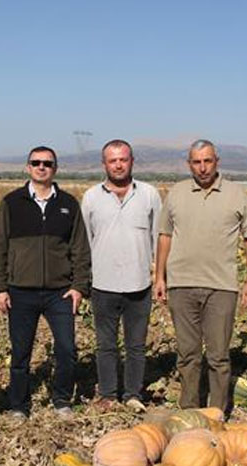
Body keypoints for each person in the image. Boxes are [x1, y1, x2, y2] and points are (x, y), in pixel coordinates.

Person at [153, 139, 247, 412]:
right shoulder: (176, 193)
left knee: (218, 357)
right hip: (181, 285)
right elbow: (164, 235)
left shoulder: (236, 194)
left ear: (217, 162)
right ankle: (189, 412)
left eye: (207, 161)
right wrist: (160, 277)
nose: (202, 167)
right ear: (189, 164)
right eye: (196, 162)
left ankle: (216, 414)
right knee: (188, 355)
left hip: (221, 287)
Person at [0, 146, 91, 418]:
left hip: (60, 292)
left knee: (67, 350)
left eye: (47, 163)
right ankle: (19, 406)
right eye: (36, 162)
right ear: (28, 167)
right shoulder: (12, 202)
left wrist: (79, 286)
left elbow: (80, 249)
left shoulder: (69, 204)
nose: (42, 167)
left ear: (55, 168)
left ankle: (61, 400)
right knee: (21, 353)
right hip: (20, 291)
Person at [81, 139, 162, 411]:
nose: (118, 164)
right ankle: (107, 394)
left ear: (132, 161)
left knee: (136, 345)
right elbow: (85, 241)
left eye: (123, 159)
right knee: (105, 345)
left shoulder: (149, 194)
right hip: (103, 284)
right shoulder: (91, 197)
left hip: (139, 283)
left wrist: (159, 275)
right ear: (104, 164)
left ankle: (133, 395)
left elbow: (158, 238)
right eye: (112, 160)